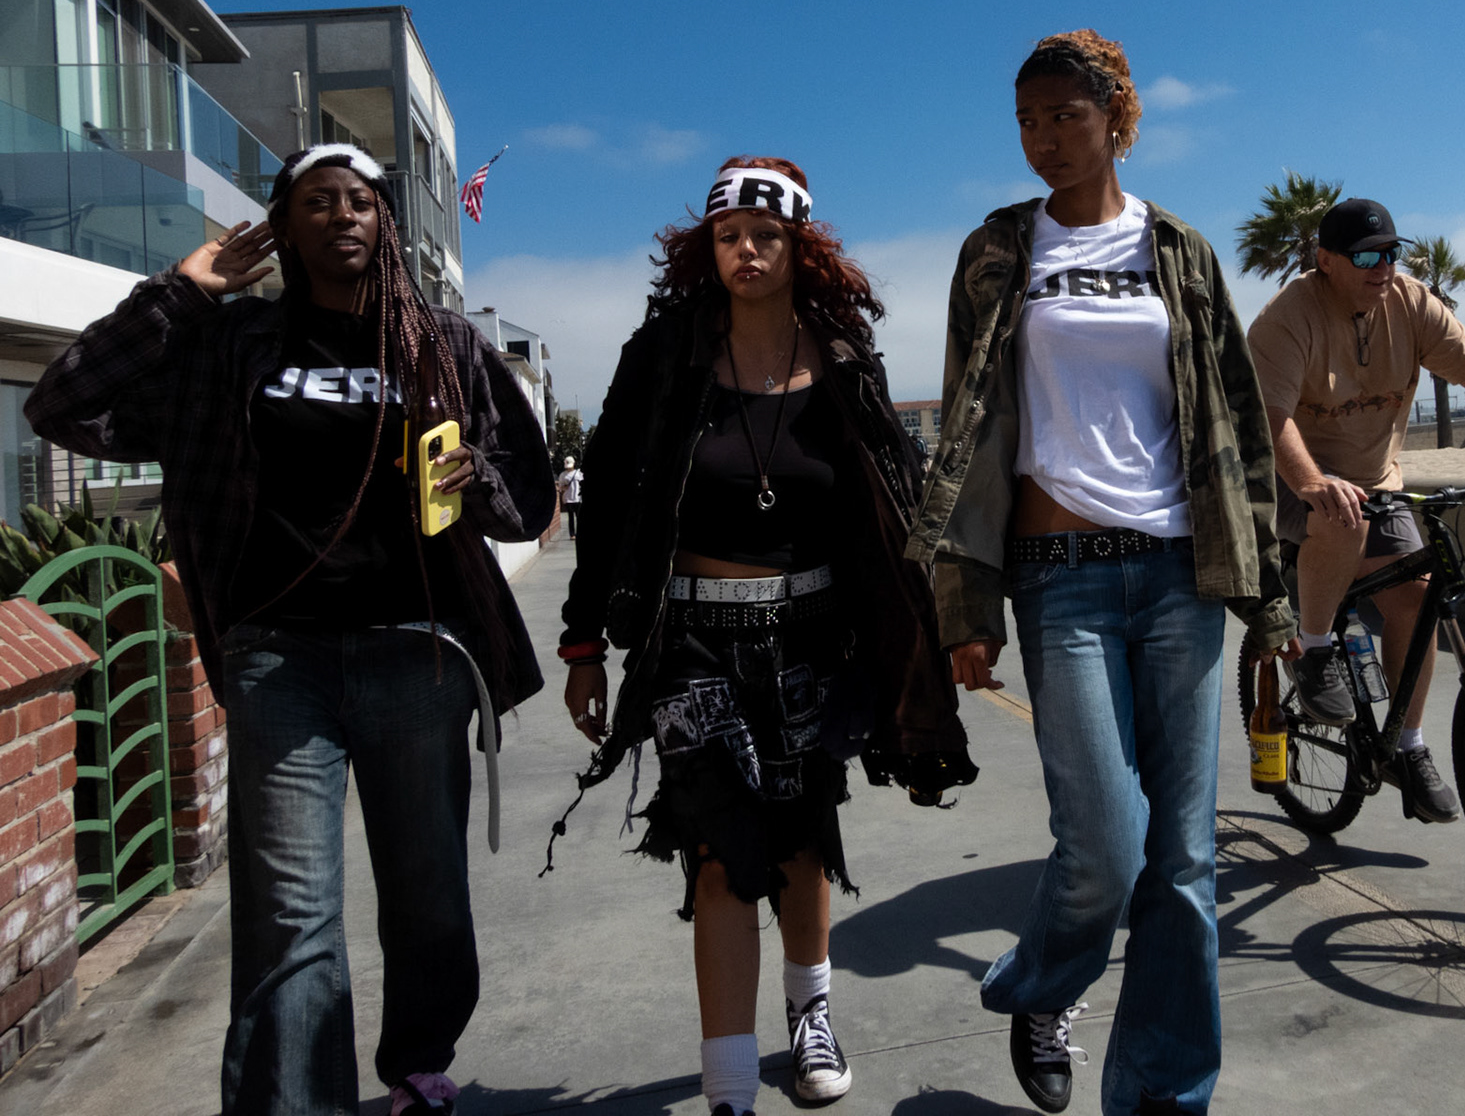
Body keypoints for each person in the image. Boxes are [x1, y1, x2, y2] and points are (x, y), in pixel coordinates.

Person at [25, 144, 554, 1116]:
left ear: (384, 221)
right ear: (281, 224)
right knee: (289, 912)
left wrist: (475, 477)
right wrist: (180, 293)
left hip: (419, 649)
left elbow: (529, 496)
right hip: (278, 656)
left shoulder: (441, 343)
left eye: (360, 200)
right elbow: (63, 403)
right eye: (317, 201)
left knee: (428, 894)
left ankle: (418, 1062)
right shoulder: (227, 345)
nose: (342, 215)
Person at [905, 31, 1295, 1116]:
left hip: (1178, 575)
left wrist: (1268, 596)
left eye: (1065, 117)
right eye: (1026, 122)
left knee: (1184, 865)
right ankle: (1041, 985)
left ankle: (1162, 1097)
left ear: (1116, 118)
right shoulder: (997, 251)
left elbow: (1237, 424)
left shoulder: (1179, 251)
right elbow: (966, 432)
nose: (1043, 140)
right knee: (1107, 848)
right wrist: (965, 602)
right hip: (1058, 577)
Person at [555, 157, 975, 1116]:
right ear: (707, 247)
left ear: (800, 247)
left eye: (766, 235)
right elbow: (609, 497)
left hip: (813, 638)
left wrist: (933, 628)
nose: (746, 249)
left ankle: (811, 1013)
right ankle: (729, 1085)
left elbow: (895, 499)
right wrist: (584, 644)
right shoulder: (665, 355)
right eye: (729, 235)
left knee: (801, 842)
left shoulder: (841, 355)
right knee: (718, 853)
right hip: (692, 641)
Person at [1245, 197, 1465, 823]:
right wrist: (1313, 482)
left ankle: (1407, 747)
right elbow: (1271, 416)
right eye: (1366, 257)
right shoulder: (1288, 318)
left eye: (1391, 253)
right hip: (1292, 474)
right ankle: (1316, 652)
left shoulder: (1412, 303)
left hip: (1377, 478)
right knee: (1341, 513)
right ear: (1326, 261)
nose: (1383, 267)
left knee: (1418, 597)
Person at [560, 454, 585, 537]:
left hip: (577, 498)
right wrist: (564, 487)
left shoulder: (578, 473)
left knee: (579, 517)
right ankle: (572, 534)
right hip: (568, 499)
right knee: (570, 517)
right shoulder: (563, 475)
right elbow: (560, 487)